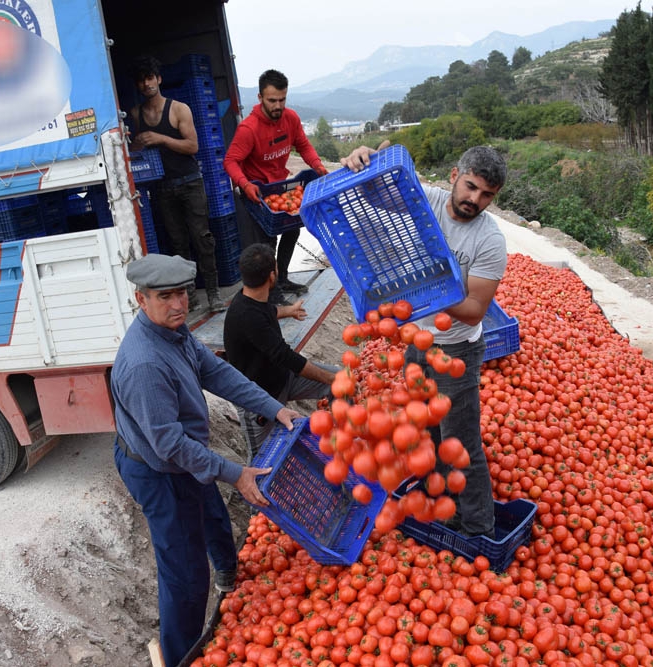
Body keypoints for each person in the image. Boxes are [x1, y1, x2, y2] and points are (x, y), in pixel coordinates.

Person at [111, 253, 302, 667]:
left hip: (178, 455)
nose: (178, 304)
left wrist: (274, 408)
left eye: (182, 293)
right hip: (158, 471)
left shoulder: (174, 332)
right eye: (165, 296)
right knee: (185, 574)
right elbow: (170, 446)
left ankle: (229, 575)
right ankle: (181, 654)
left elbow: (216, 372)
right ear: (141, 299)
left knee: (213, 513)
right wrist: (235, 473)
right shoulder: (145, 363)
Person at [341, 141, 508, 540]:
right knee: (429, 431)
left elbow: (474, 310)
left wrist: (429, 290)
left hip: (457, 350)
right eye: (470, 186)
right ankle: (446, 506)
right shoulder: (425, 200)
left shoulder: (490, 240)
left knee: (460, 441)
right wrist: (366, 158)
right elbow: (374, 190)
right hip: (417, 342)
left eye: (486, 195)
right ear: (454, 176)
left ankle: (479, 528)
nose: (474, 200)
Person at [223, 69, 329, 306]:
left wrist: (317, 165)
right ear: (260, 98)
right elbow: (230, 161)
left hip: (281, 187)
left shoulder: (291, 119)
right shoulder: (249, 129)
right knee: (266, 243)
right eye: (272, 100)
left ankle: (282, 278)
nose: (278, 106)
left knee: (292, 230)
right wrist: (245, 184)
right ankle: (271, 293)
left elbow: (303, 145)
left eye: (282, 99)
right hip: (257, 192)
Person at [223, 243, 338, 459]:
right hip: (257, 400)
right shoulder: (246, 316)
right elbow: (286, 356)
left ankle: (341, 441)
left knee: (339, 383)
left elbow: (267, 311)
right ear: (271, 276)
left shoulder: (249, 297)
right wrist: (330, 378)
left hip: (283, 379)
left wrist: (289, 311)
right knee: (261, 460)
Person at [128, 55, 224, 313]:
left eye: (150, 78)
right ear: (137, 84)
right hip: (162, 188)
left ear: (159, 79)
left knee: (202, 239)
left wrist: (160, 138)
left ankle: (214, 294)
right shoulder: (136, 115)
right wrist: (136, 143)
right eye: (142, 80)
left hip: (190, 182)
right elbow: (134, 152)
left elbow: (193, 146)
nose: (147, 84)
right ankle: (189, 296)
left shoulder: (179, 109)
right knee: (178, 245)